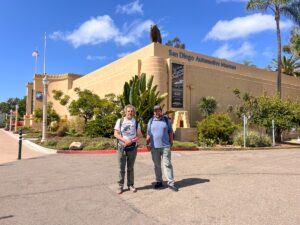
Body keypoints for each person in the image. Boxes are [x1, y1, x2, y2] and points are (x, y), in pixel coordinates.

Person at [146, 105, 178, 192]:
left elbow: (170, 132)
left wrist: (171, 142)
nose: (157, 112)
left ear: (161, 111)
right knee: (157, 165)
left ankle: (171, 183)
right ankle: (159, 181)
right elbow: (148, 134)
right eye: (155, 111)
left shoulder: (166, 120)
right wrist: (147, 143)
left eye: (158, 110)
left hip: (165, 146)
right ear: (154, 112)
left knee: (167, 164)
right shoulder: (151, 121)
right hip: (154, 147)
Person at [114, 105, 142, 194]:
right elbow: (116, 134)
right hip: (121, 147)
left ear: (133, 112)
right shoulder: (120, 121)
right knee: (121, 168)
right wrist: (124, 140)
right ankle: (120, 186)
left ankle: (130, 185)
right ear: (125, 112)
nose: (130, 113)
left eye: (131, 111)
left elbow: (139, 135)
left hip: (132, 148)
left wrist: (131, 141)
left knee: (130, 168)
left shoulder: (136, 122)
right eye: (128, 111)